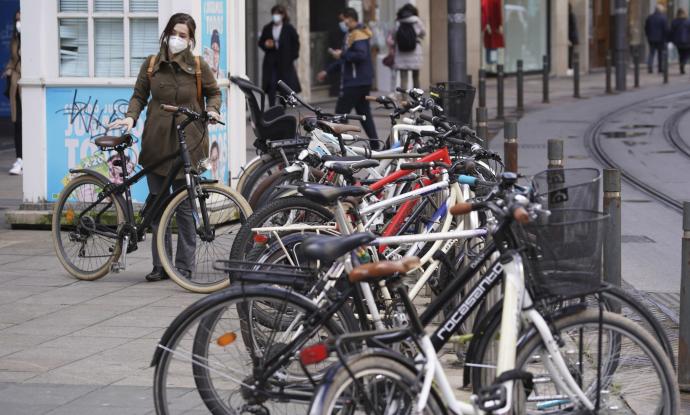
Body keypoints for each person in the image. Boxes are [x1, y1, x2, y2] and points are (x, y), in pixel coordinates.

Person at [109, 13, 221, 282]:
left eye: (183, 35)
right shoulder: (151, 65)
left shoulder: (197, 65)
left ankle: (184, 266)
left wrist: (213, 110)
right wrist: (130, 117)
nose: (177, 39)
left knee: (183, 207)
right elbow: (139, 95)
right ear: (166, 33)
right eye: (174, 33)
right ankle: (160, 265)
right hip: (157, 142)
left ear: (191, 39)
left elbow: (214, 92)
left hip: (189, 143)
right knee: (158, 206)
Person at [317, 8, 379, 150]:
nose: (342, 22)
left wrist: (342, 54)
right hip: (360, 81)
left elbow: (360, 55)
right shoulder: (351, 34)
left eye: (343, 19)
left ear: (350, 18)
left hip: (355, 82)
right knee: (364, 113)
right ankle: (375, 144)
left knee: (340, 113)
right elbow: (345, 59)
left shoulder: (359, 34)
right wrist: (327, 70)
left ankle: (340, 145)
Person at [258, 5, 301, 107]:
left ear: (283, 15)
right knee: (271, 84)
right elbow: (261, 42)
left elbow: (296, 43)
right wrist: (266, 44)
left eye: (278, 14)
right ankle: (272, 106)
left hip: (285, 62)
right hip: (271, 61)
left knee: (284, 85)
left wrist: (292, 57)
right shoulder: (267, 28)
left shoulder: (289, 28)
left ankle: (283, 105)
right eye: (274, 14)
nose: (275, 16)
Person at [4, 10, 21, 175]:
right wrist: (9, 69)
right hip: (16, 86)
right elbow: (13, 59)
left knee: (26, 124)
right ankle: (19, 159)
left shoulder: (30, 39)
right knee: (17, 123)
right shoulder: (15, 39)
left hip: (27, 87)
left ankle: (26, 158)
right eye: (17, 20)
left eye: (21, 19)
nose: (19, 23)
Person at [392, 3, 425, 89]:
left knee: (403, 78)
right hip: (415, 51)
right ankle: (417, 99)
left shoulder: (398, 21)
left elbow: (394, 36)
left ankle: (404, 99)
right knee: (416, 77)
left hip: (401, 51)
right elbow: (423, 33)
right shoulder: (417, 21)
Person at [645, 4, 669, 73]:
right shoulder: (663, 18)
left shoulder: (650, 17)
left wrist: (648, 35)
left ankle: (650, 67)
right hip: (661, 39)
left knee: (651, 53)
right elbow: (666, 29)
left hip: (651, 38)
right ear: (661, 10)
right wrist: (666, 38)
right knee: (660, 54)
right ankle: (660, 68)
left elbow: (646, 28)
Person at [671, 8, 690, 74]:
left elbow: (672, 31)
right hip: (687, 41)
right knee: (687, 54)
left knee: (680, 54)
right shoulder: (688, 21)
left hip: (678, 41)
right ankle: (683, 63)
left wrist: (672, 40)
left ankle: (681, 64)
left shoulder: (674, 21)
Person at [568, 3, 579, 75]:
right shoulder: (572, 15)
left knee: (570, 53)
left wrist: (570, 39)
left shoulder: (570, 16)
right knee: (570, 53)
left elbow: (572, 28)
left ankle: (570, 67)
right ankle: (570, 67)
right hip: (572, 37)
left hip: (571, 37)